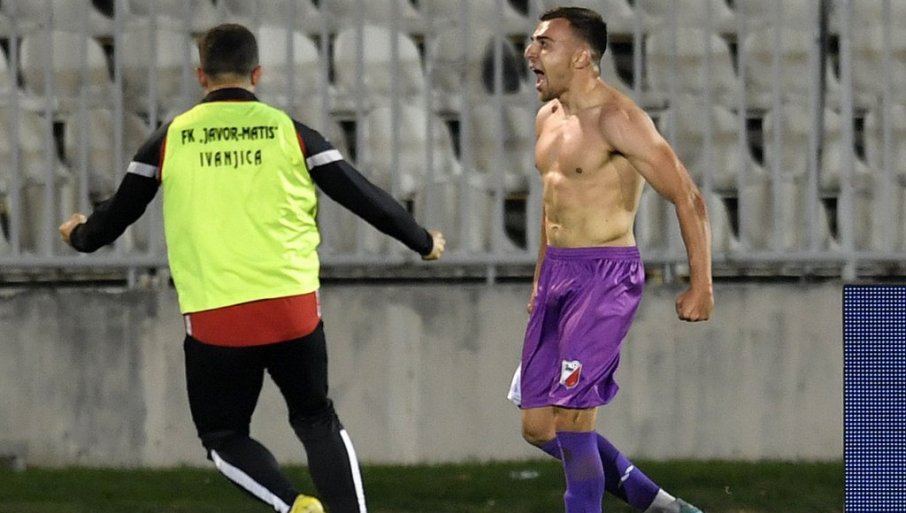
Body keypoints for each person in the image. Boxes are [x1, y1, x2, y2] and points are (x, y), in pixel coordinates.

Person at [59, 23, 445, 513]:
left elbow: (117, 215)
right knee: (316, 420)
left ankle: (294, 506)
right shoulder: (291, 132)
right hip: (292, 310)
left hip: (217, 318)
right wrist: (422, 241)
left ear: (201, 75)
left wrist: (80, 234)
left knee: (223, 436)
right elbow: (364, 196)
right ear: (256, 74)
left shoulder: (170, 138)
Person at [508, 7, 714, 513]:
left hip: (603, 278)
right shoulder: (547, 118)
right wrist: (540, 277)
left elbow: (687, 196)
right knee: (538, 426)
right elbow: (553, 206)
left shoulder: (618, 119)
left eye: (544, 44)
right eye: (533, 42)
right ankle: (660, 505)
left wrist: (702, 284)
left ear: (582, 57)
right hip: (558, 274)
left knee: (574, 422)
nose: (530, 53)